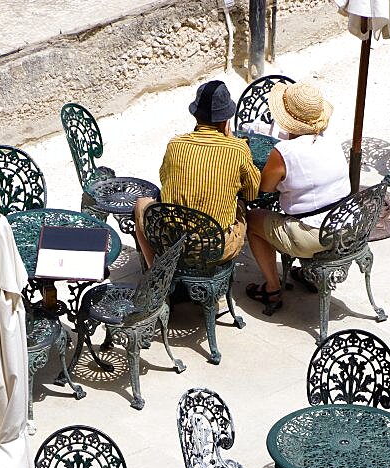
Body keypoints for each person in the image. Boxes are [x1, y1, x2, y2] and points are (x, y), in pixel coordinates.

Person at [246, 80, 351, 315]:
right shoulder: (332, 142)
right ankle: (303, 273)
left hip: (314, 236)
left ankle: (272, 288)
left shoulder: (284, 152)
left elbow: (264, 189)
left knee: (253, 219)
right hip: (344, 227)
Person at [135, 80, 260, 266]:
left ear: (195, 115)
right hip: (215, 248)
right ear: (226, 120)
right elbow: (251, 194)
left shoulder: (175, 145)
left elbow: (165, 180)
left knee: (141, 204)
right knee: (241, 207)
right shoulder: (238, 149)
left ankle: (156, 270)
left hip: (171, 241)